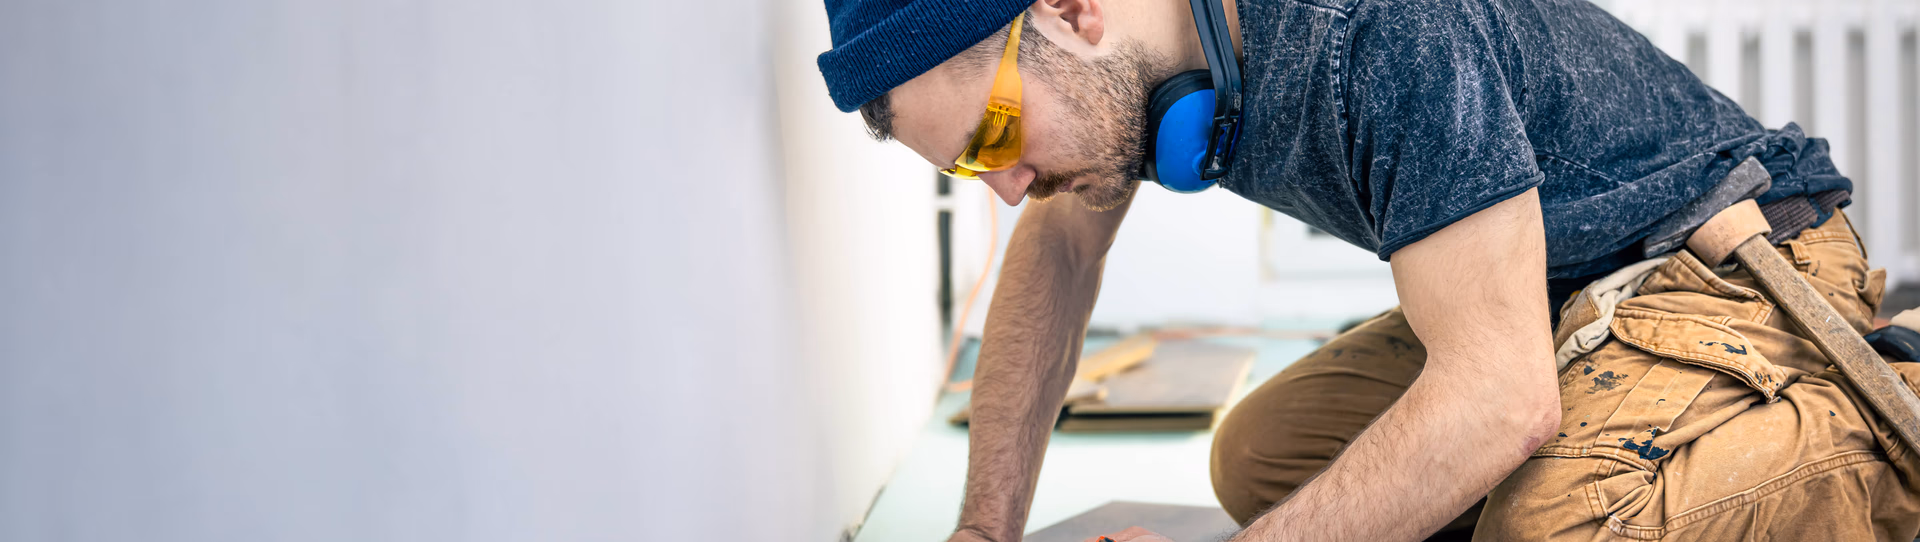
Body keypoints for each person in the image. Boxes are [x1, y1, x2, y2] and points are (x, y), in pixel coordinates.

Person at [814, 0, 1920, 539]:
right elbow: (1058, 251)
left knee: (1555, 524)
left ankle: (1877, 416)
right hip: (1557, 284)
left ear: (1071, 11)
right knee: (1261, 460)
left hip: (1731, 257)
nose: (1009, 189)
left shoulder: (1373, 27)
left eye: (997, 136)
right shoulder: (1128, 64)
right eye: (972, 165)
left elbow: (1499, 398)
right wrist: (983, 530)